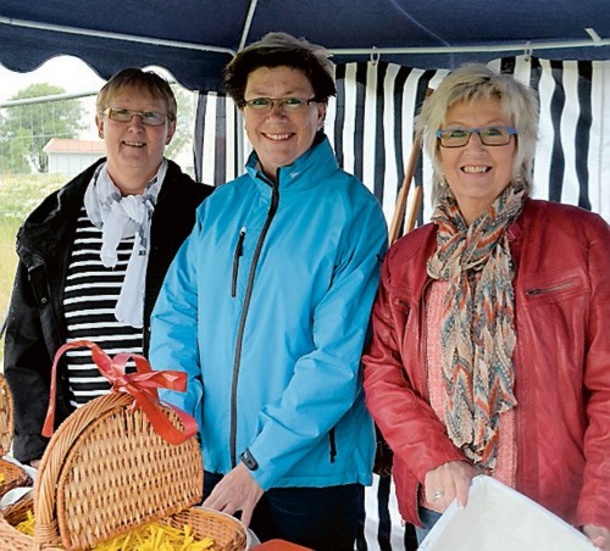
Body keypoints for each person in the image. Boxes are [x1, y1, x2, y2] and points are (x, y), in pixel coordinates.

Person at [149, 32, 388, 550]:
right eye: (260, 101)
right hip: (212, 460)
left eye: (292, 101)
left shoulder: (354, 212)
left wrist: (259, 463)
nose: (274, 116)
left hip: (312, 476)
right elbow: (175, 315)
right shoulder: (219, 208)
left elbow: (337, 360)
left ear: (319, 111)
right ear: (243, 110)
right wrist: (178, 413)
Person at [362, 63, 610, 549]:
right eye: (455, 133)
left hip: (550, 513)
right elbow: (381, 372)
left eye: (494, 132)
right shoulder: (409, 257)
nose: (473, 150)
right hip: (447, 508)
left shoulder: (580, 240)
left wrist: (600, 508)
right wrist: (436, 456)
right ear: (436, 148)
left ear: (519, 146)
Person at [4, 68, 213, 467]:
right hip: (82, 445)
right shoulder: (51, 224)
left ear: (169, 130)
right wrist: (35, 448)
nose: (135, 127)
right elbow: (24, 346)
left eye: (151, 116)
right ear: (100, 123)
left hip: (179, 443)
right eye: (121, 113)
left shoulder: (205, 213)